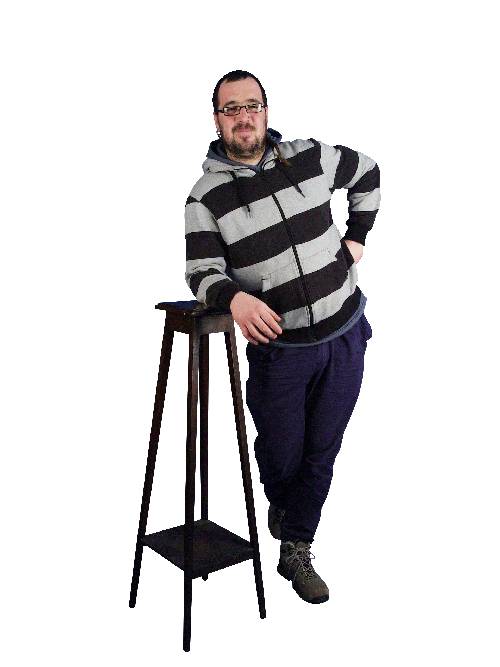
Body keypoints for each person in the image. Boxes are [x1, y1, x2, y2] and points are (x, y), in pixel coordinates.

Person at [184, 69, 381, 604]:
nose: (243, 117)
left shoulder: (309, 157)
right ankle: (284, 499)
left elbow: (367, 172)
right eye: (231, 109)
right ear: (218, 119)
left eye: (252, 105)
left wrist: (357, 237)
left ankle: (297, 545)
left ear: (266, 110)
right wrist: (234, 298)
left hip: (344, 333)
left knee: (322, 451)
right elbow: (200, 272)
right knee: (280, 452)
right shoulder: (205, 198)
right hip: (281, 352)